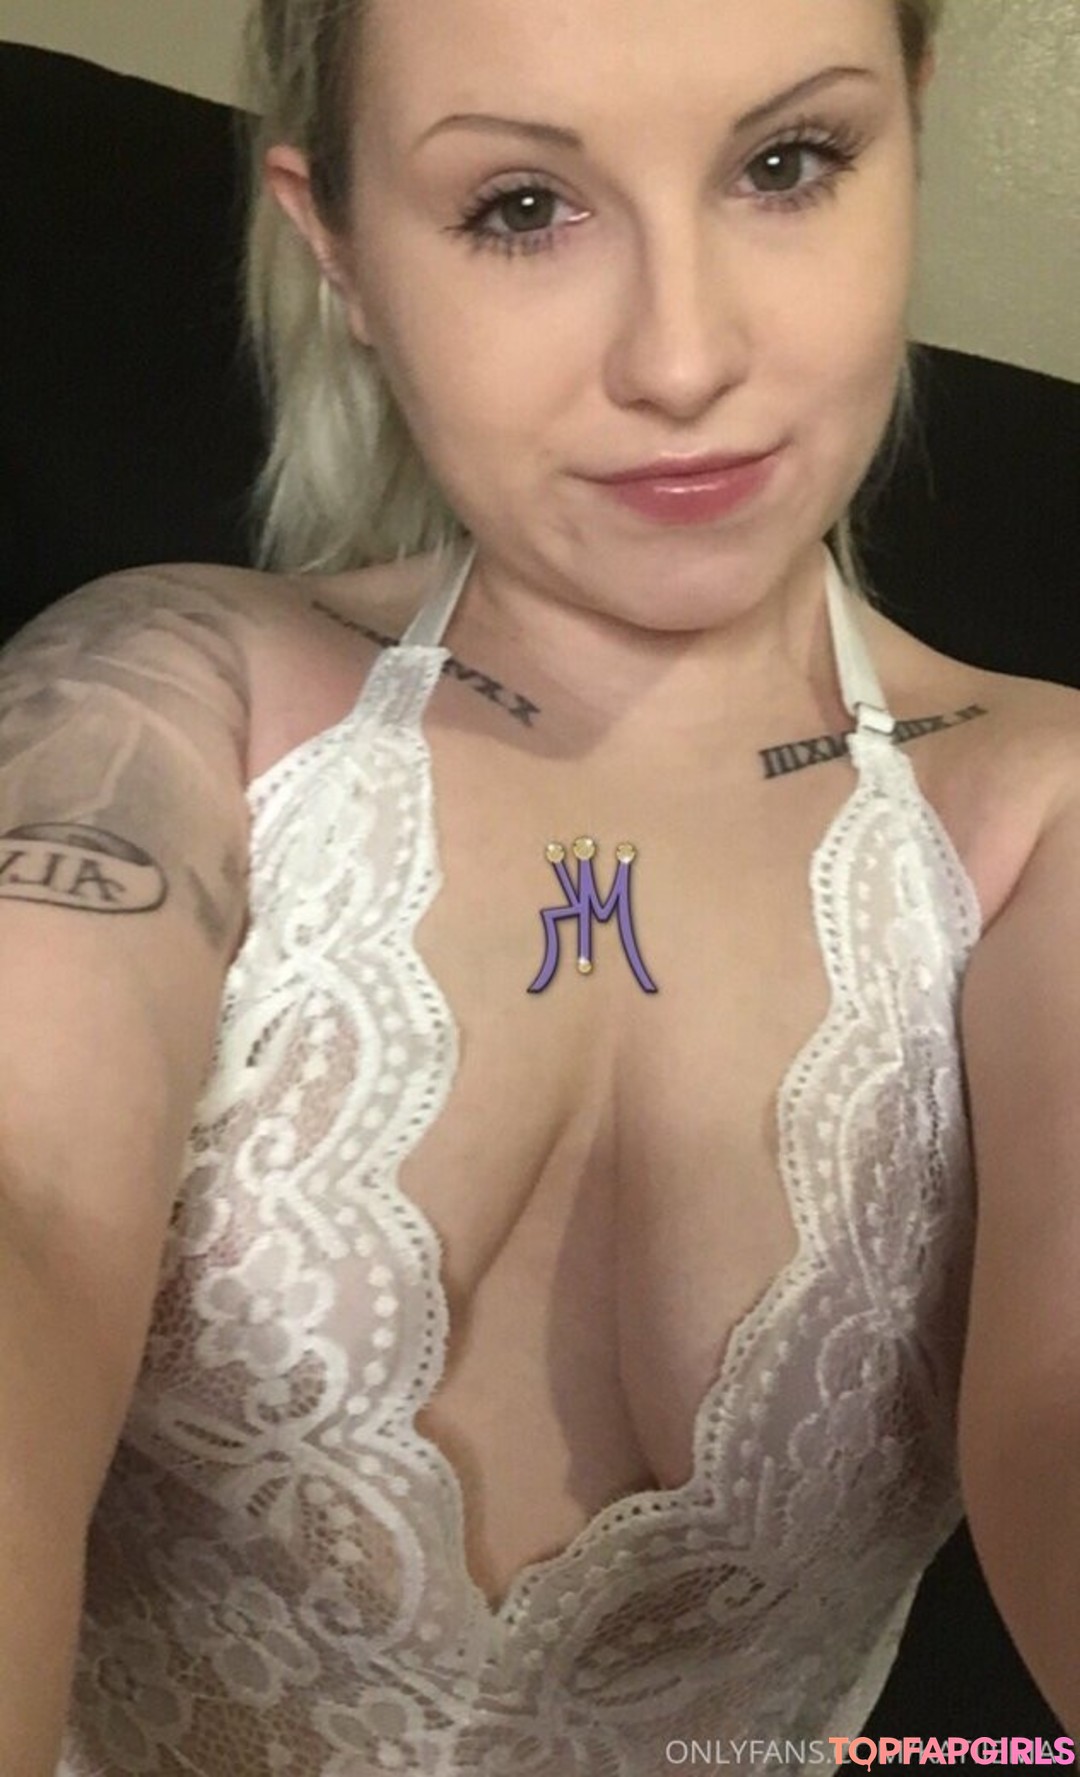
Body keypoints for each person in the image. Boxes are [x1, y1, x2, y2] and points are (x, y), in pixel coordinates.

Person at [0, 0, 1076, 1770]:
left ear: (911, 139)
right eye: (520, 206)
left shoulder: (1042, 819)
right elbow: (29, 1202)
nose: (683, 356)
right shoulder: (165, 699)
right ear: (340, 249)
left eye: (787, 163)